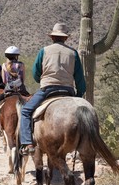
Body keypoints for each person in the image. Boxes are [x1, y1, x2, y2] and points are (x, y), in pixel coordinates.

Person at [19, 23, 86, 154]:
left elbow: (35, 72)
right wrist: (78, 96)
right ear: (65, 38)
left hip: (48, 89)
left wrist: (42, 80)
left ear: (52, 37)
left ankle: (27, 144)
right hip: (68, 90)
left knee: (26, 111)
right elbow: (80, 79)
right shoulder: (73, 53)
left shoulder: (44, 51)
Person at [0, 46, 30, 137]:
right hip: (21, 90)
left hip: (9, 91)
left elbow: (4, 81)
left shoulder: (4, 65)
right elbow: (23, 79)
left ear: (7, 56)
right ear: (17, 56)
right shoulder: (22, 65)